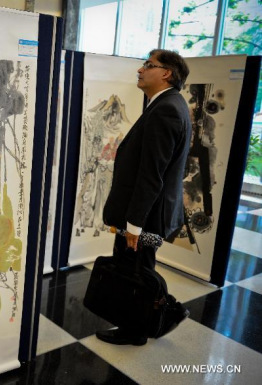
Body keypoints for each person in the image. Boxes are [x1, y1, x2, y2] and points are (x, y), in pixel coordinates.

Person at [97, 49, 192, 346]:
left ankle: (138, 328)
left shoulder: (166, 109)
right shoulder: (167, 105)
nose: (140, 70)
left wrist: (135, 225)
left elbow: (153, 174)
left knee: (136, 271)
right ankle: (139, 322)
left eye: (148, 65)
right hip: (146, 212)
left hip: (145, 216)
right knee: (135, 269)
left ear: (167, 73)